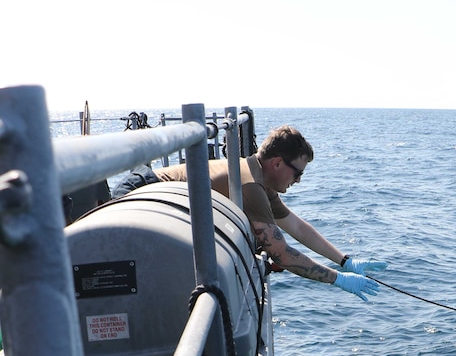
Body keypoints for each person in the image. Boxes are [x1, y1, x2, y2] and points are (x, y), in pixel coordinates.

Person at [111, 125, 384, 302]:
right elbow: (282, 254)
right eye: (297, 173)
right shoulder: (251, 186)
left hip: (153, 197)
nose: (299, 181)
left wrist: (344, 260)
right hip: (140, 195)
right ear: (277, 163)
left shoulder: (259, 178)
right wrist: (338, 279)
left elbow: (296, 226)